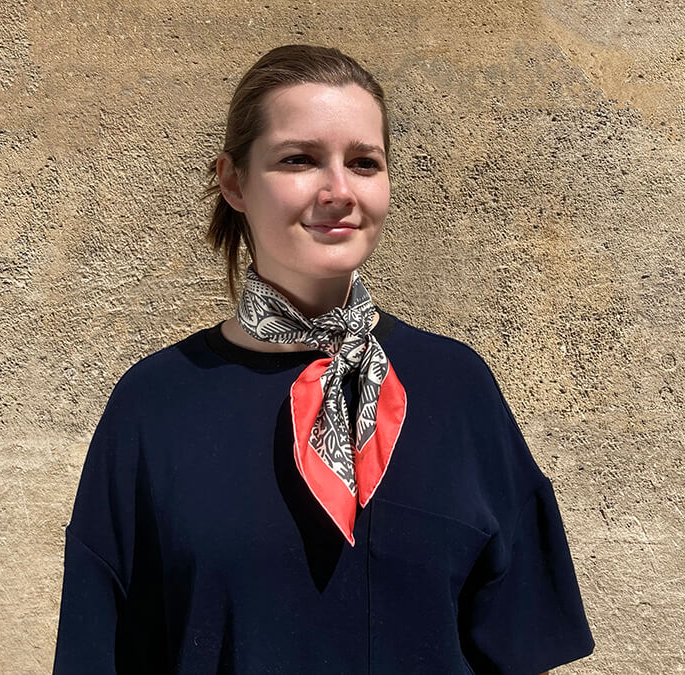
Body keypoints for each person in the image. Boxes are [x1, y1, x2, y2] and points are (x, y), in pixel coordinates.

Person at [52, 44, 595, 674]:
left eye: (364, 163)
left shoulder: (456, 388)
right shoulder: (155, 404)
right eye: (300, 160)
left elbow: (519, 639)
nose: (339, 190)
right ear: (233, 181)